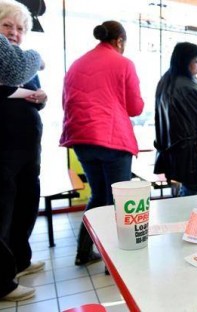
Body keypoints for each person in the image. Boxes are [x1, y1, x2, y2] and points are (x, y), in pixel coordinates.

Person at [60, 20, 144, 266]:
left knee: (99, 195)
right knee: (118, 201)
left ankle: (84, 252)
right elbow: (135, 107)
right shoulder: (123, 63)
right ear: (119, 41)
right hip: (111, 138)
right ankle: (114, 261)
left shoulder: (77, 64)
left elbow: (67, 101)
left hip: (81, 139)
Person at [0, 0, 48, 301]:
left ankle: (20, 261)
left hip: (27, 149)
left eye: (20, 28)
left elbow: (35, 93)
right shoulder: (15, 60)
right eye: (7, 26)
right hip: (3, 148)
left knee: (26, 205)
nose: (15, 33)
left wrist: (40, 97)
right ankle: (2, 283)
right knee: (1, 211)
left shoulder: (20, 59)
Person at [154, 42, 197, 196]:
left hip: (171, 149)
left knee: (185, 194)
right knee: (196, 197)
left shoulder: (165, 80)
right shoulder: (188, 86)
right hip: (192, 153)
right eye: (196, 61)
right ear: (185, 61)